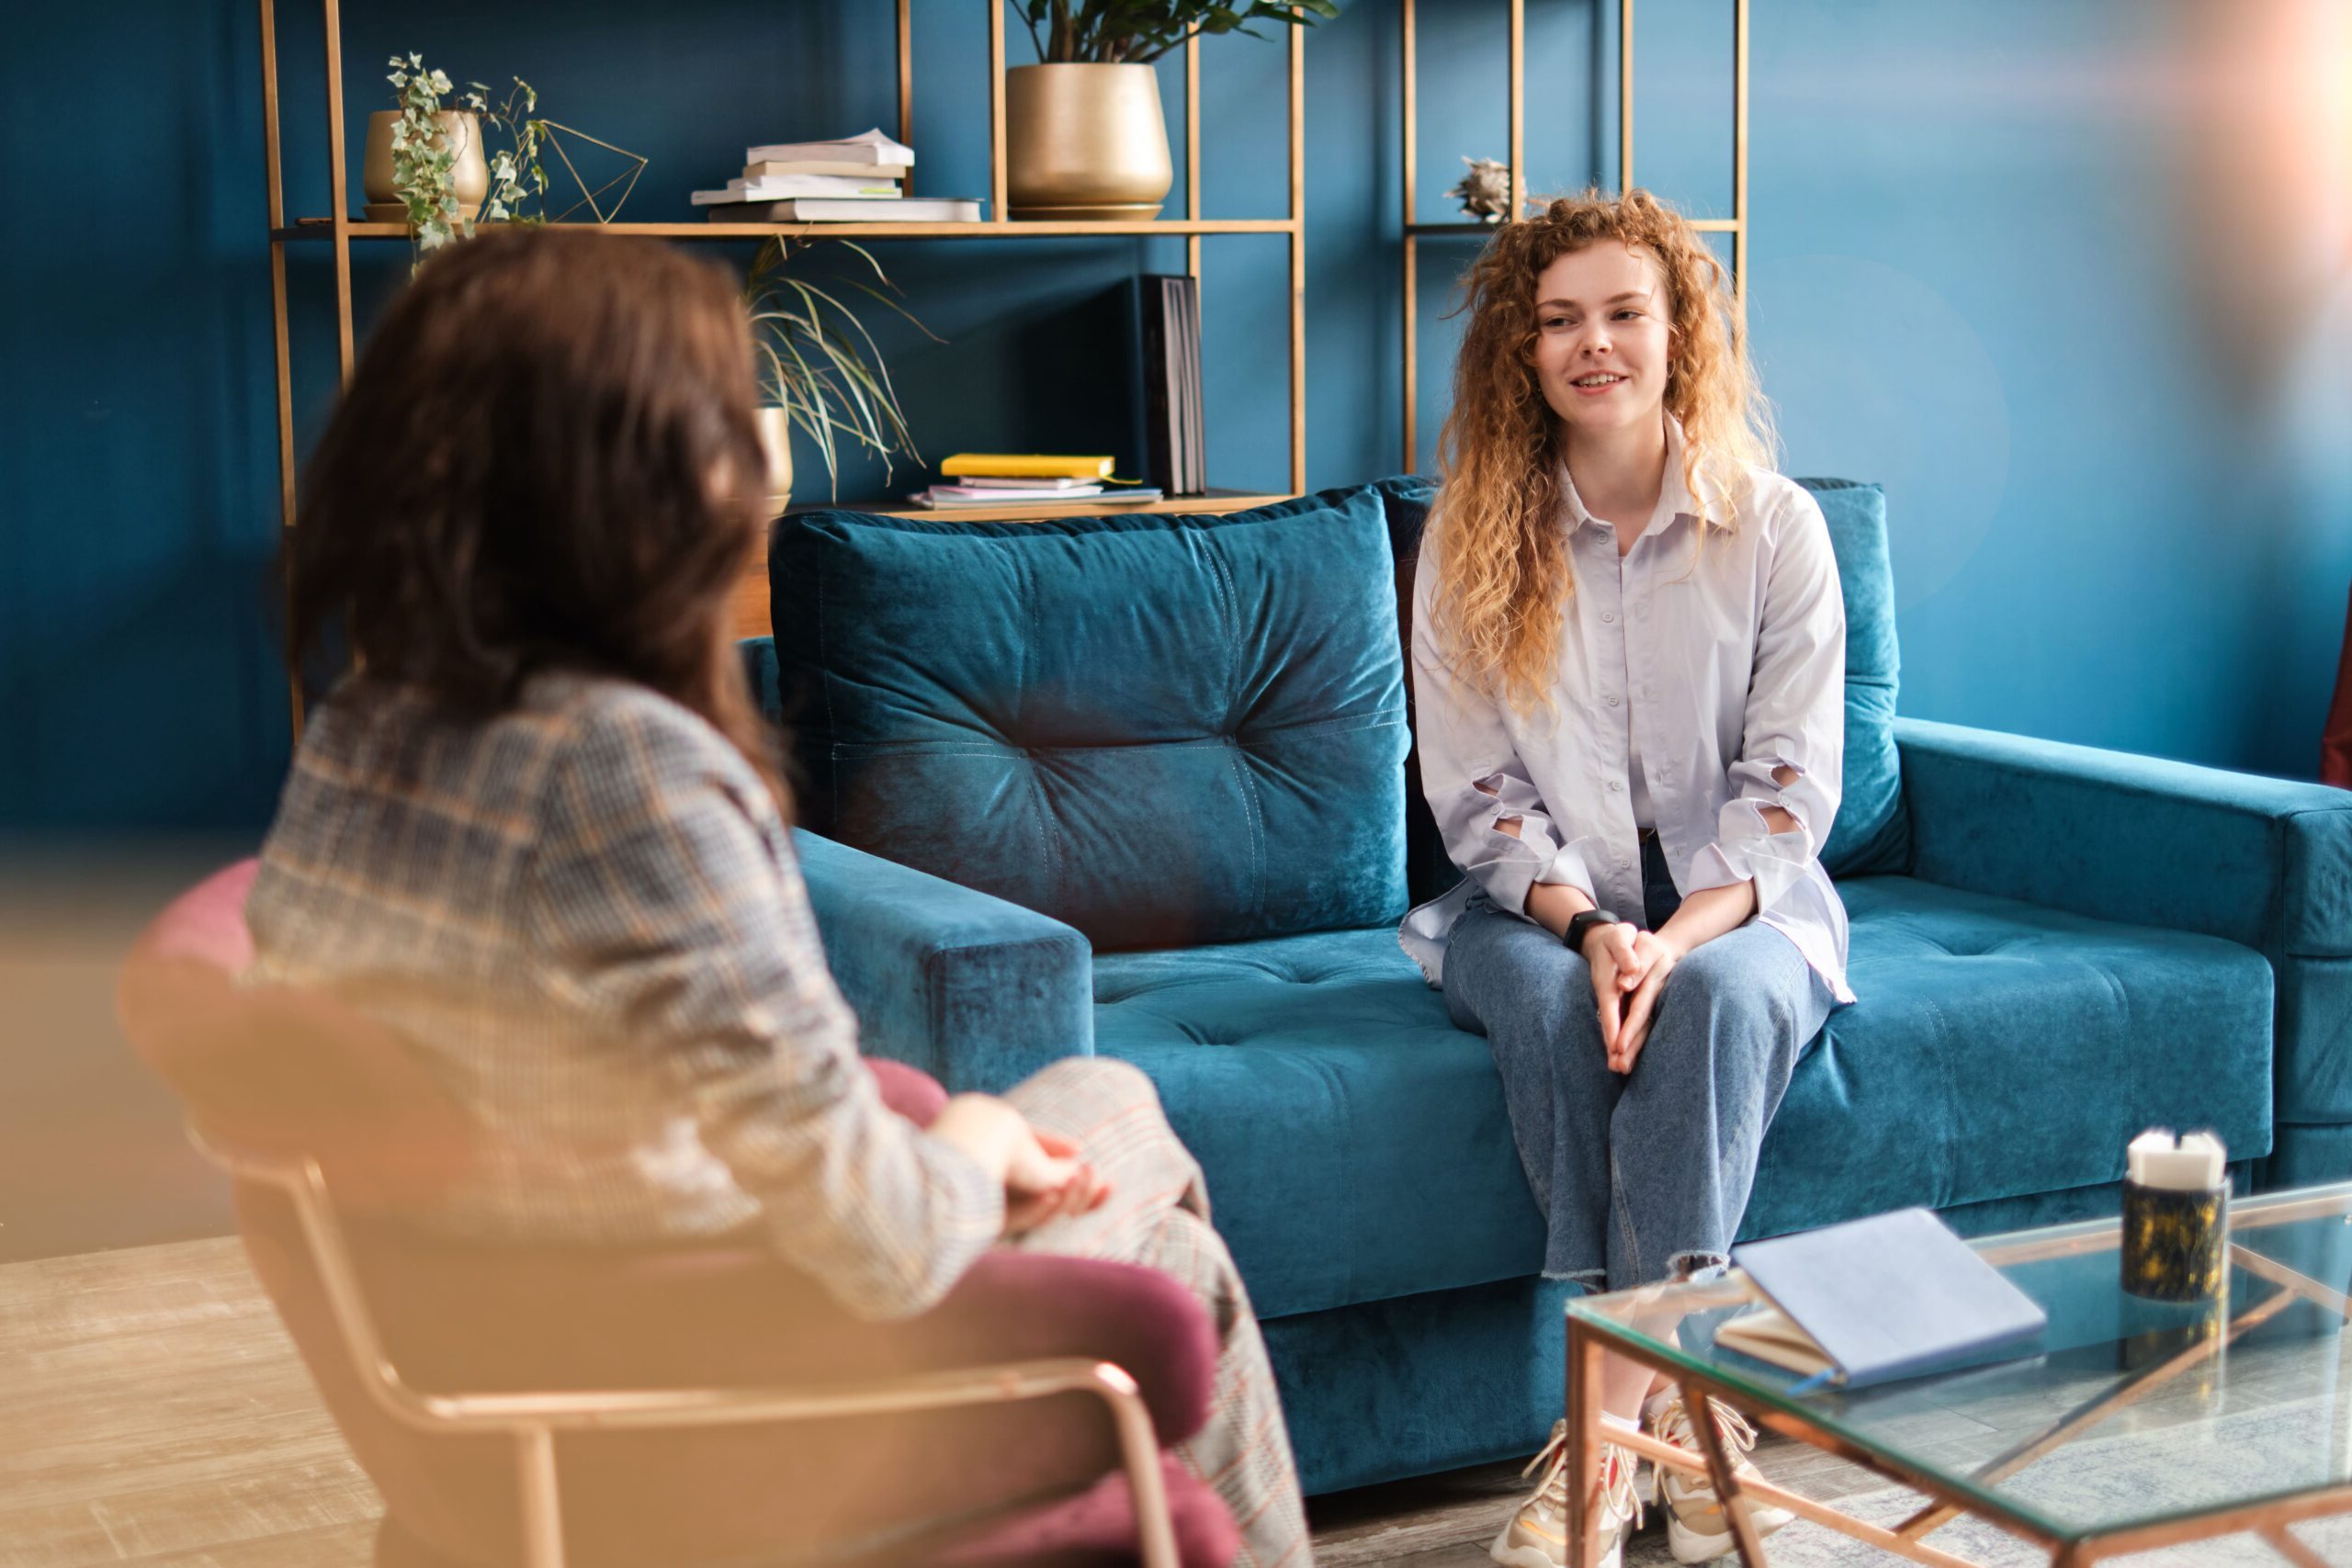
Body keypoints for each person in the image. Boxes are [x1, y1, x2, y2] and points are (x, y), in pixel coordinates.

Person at [244, 227, 1309, 1568]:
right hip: (705, 1363)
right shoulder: (625, 769)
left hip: (530, 1314)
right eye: (725, 418)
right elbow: (877, 1241)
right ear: (625, 478)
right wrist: (975, 1144)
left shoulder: (372, 724)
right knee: (1171, 1257)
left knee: (1118, 1109)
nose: (758, 460)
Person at [1400, 190, 1853, 1568]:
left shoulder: (1775, 530)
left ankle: (1612, 1434)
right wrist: (1598, 930)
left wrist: (1675, 939)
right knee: (1551, 1014)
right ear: (1522, 353)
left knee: (1708, 1008)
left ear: (1679, 333)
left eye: (1623, 314)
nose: (1593, 344)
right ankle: (1701, 1425)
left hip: (1747, 914)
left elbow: (1788, 801)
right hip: (1528, 913)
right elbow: (1477, 803)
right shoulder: (1472, 540)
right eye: (1558, 322)